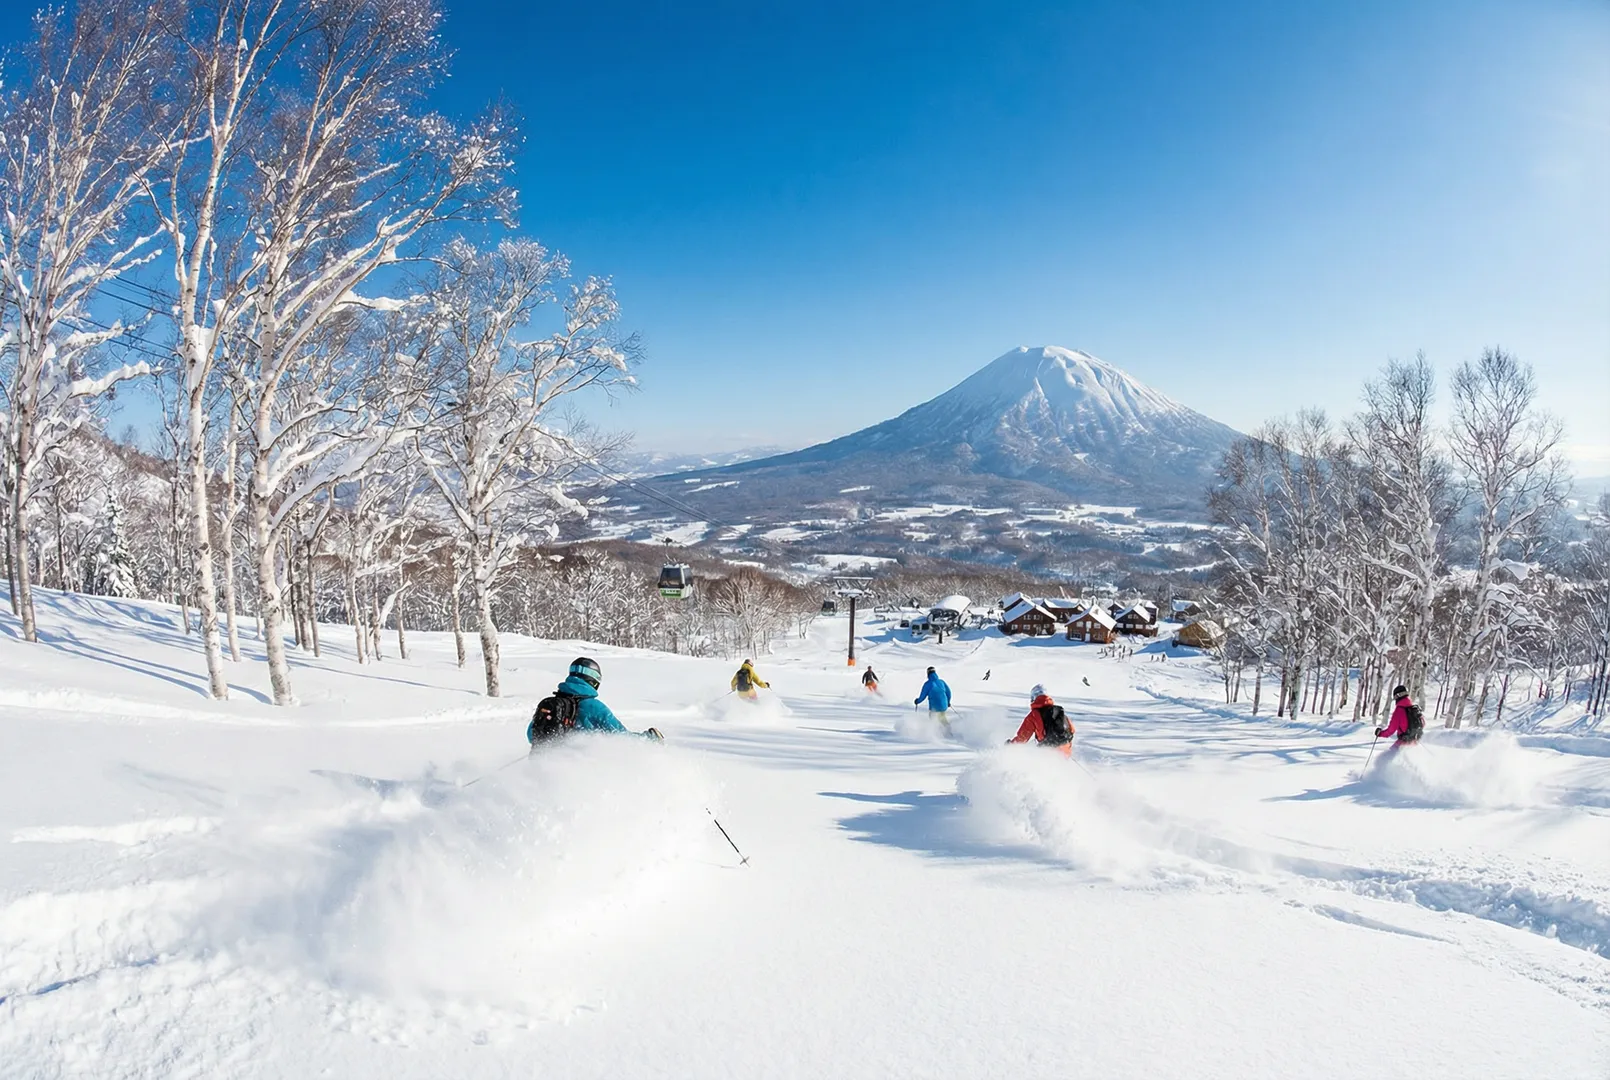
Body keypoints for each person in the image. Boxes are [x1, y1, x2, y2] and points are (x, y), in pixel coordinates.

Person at [528, 657, 662, 746]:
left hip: (540, 769)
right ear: (594, 680)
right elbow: (622, 738)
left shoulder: (552, 703)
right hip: (577, 773)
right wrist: (649, 738)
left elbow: (530, 734)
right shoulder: (594, 707)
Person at [1008, 684, 1074, 757]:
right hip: (1064, 749)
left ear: (1033, 698)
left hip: (1047, 750)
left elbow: (1022, 737)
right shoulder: (1058, 711)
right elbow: (1072, 730)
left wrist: (1011, 745)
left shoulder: (1034, 714)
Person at [1375, 684, 1424, 750]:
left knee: (1387, 757)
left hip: (1403, 743)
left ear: (1398, 696)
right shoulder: (1414, 709)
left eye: (1395, 697)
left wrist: (1380, 733)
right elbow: (1423, 724)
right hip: (1415, 743)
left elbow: (1390, 731)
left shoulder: (1399, 711)